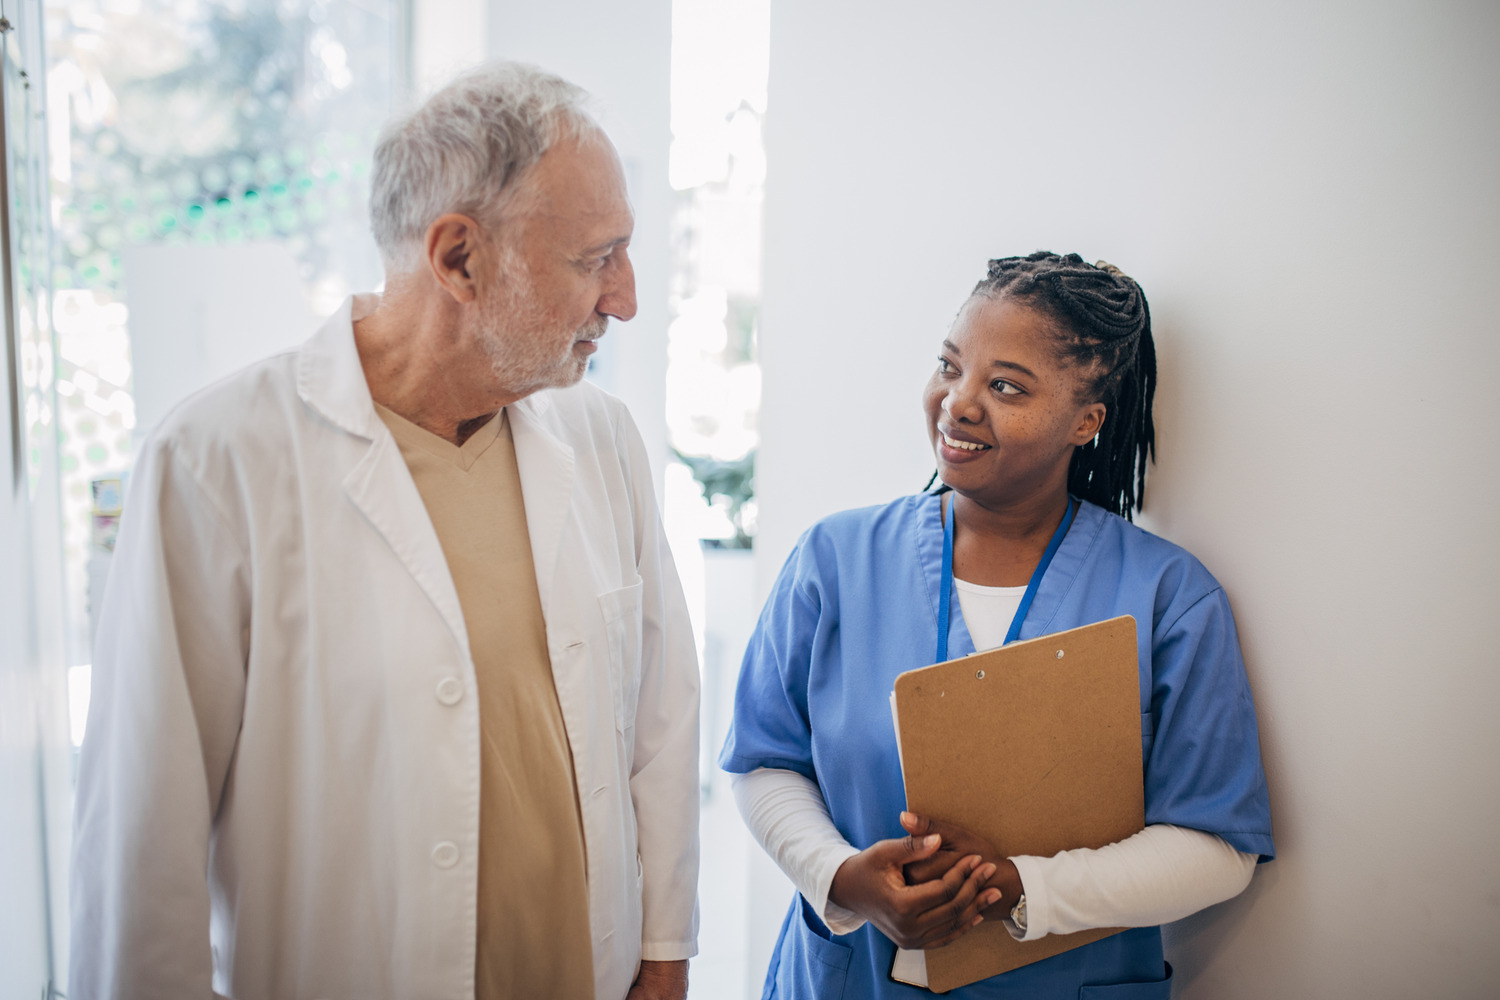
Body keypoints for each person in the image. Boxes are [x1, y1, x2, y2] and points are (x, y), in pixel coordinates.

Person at [71, 63, 699, 1000]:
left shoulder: (598, 436)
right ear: (459, 261)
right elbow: (142, 843)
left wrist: (661, 952)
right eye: (592, 259)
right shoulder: (216, 463)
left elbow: (661, 714)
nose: (625, 297)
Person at [720, 251, 1274, 999]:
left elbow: (1216, 847)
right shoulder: (834, 560)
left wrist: (1020, 890)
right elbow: (764, 759)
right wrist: (843, 878)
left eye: (1004, 386)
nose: (958, 403)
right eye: (950, 366)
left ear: (1087, 420)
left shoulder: (1170, 597)